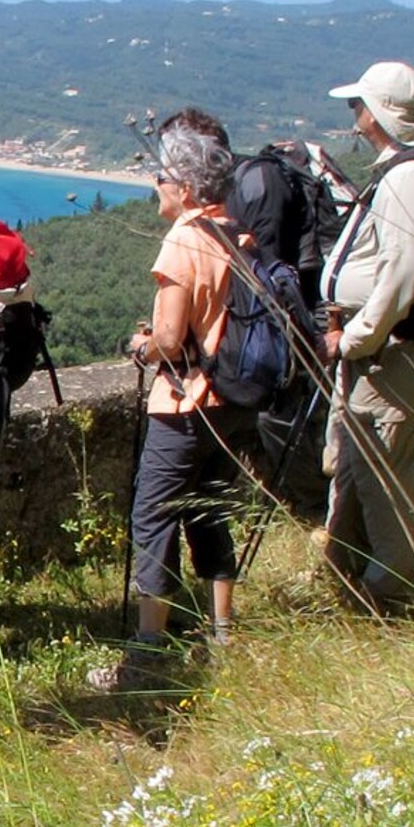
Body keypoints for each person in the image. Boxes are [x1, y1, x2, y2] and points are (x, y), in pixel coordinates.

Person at [89, 108, 255, 692]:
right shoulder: (234, 230)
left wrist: (140, 345)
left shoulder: (183, 239)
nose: (155, 188)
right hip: (230, 400)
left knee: (153, 514)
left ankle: (150, 644)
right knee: (209, 514)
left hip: (185, 402)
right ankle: (222, 629)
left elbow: (166, 338)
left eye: (160, 179)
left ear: (183, 187)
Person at [317, 62, 414, 610]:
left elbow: (402, 275)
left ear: (377, 114)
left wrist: (354, 340)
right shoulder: (406, 170)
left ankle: (391, 594)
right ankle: (348, 577)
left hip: (384, 350)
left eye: (358, 106)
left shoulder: (413, 179)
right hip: (370, 348)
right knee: (353, 465)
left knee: (383, 476)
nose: (353, 116)